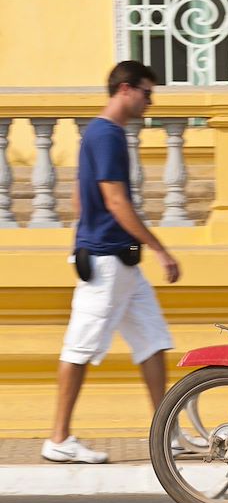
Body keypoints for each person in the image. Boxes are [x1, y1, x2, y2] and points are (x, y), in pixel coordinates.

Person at [41, 61, 181, 463]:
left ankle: (165, 430)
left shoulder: (101, 134)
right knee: (79, 347)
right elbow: (115, 200)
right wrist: (160, 249)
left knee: (153, 340)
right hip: (106, 263)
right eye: (146, 92)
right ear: (125, 89)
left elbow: (79, 198)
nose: (150, 102)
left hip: (120, 265)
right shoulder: (107, 135)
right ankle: (59, 438)